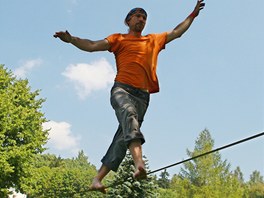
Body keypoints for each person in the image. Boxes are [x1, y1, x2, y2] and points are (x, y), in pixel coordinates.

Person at [54, 0, 205, 193]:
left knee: (122, 138)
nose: (142, 19)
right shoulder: (118, 39)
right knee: (129, 114)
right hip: (122, 89)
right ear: (128, 20)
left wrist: (192, 15)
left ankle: (97, 179)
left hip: (143, 96)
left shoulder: (153, 40)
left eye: (144, 17)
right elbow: (92, 45)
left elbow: (177, 32)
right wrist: (72, 39)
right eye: (138, 16)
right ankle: (139, 163)